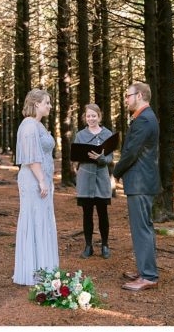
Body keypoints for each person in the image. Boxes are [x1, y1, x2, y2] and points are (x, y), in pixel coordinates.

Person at [113, 82, 160, 291]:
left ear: (139, 95)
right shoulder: (144, 118)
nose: (126, 99)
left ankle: (148, 276)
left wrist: (115, 173)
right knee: (142, 228)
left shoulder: (144, 120)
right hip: (141, 181)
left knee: (142, 229)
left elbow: (131, 152)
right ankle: (144, 270)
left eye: (128, 96)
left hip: (141, 182)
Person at [13, 89, 59, 285]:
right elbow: (31, 158)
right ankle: (34, 270)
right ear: (36, 104)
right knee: (35, 220)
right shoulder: (30, 125)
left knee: (42, 220)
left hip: (41, 178)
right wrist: (42, 180)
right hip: (33, 180)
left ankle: (42, 266)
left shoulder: (37, 125)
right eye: (46, 102)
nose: (49, 106)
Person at [73, 104, 114, 259]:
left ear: (99, 116)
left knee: (103, 213)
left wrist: (101, 158)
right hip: (85, 177)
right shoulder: (80, 135)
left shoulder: (107, 134)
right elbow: (75, 156)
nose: (91, 119)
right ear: (85, 117)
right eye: (88, 116)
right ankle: (88, 246)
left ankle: (105, 245)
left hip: (101, 178)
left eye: (94, 116)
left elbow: (110, 159)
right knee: (87, 214)